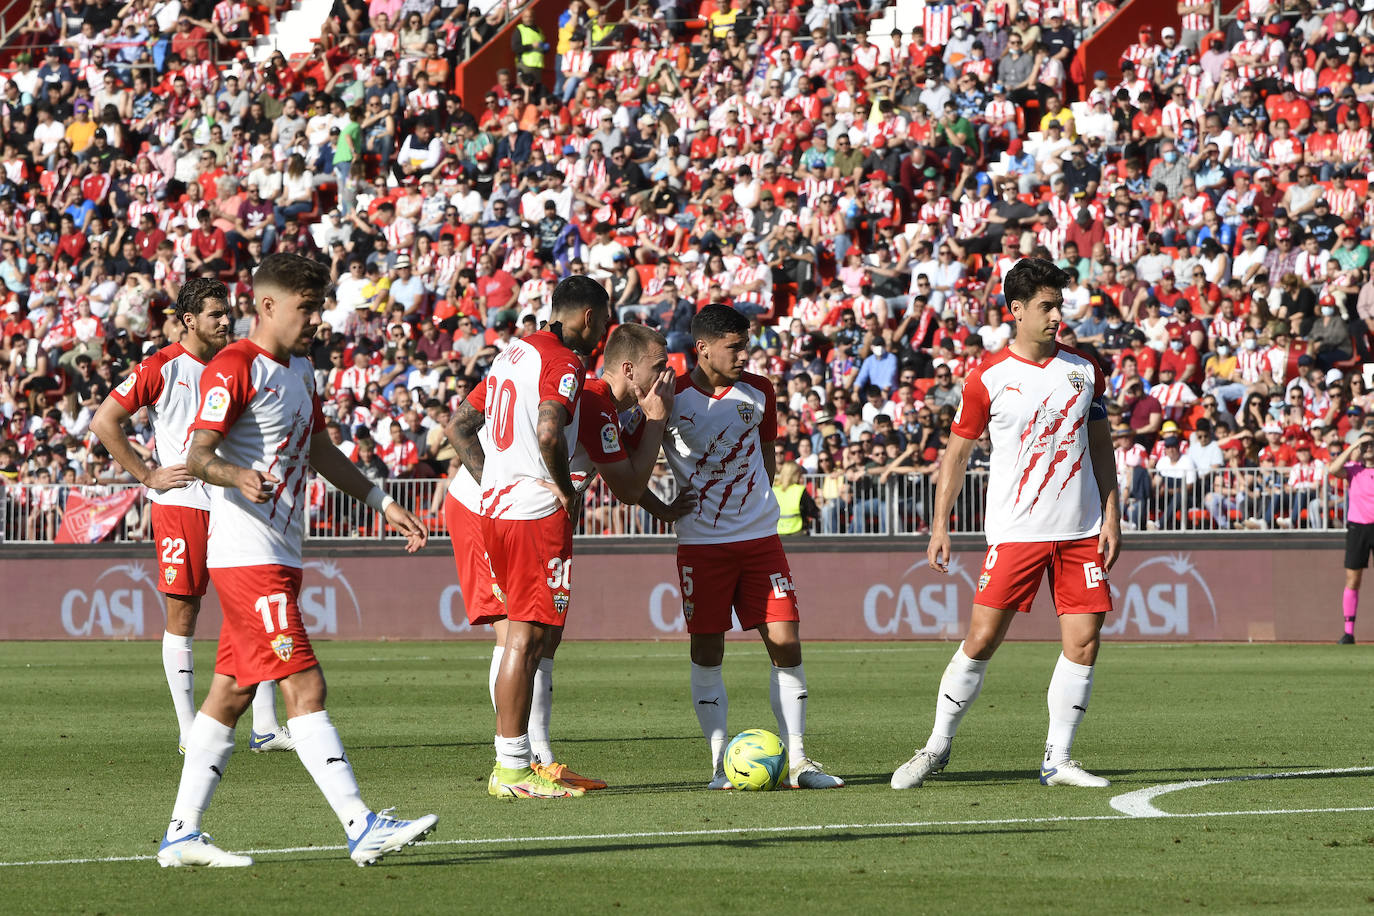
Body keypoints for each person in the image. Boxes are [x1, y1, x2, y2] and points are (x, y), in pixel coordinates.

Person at [157, 254, 437, 868]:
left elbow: (319, 450)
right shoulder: (233, 366)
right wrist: (237, 474)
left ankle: (181, 835)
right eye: (306, 306)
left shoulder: (302, 370)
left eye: (318, 306)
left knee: (229, 694)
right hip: (246, 558)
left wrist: (380, 499)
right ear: (266, 306)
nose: (316, 318)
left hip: (279, 556)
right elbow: (198, 454)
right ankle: (361, 824)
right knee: (305, 683)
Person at [892, 258, 1121, 791]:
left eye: (1059, 305)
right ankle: (936, 745)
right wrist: (940, 525)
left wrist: (1111, 513)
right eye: (1045, 306)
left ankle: (1057, 759)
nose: (1056, 316)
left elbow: (1101, 445)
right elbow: (955, 455)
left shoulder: (1085, 370)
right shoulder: (987, 378)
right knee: (981, 638)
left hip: (1080, 530)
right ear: (1015, 310)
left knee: (1085, 641)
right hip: (1016, 531)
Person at [443, 322, 683, 792]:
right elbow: (629, 485)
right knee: (518, 633)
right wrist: (656, 419)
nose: (666, 377)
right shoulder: (592, 402)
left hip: (514, 506)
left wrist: (665, 508)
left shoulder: (603, 405)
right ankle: (516, 760)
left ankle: (538, 757)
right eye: (659, 367)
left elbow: (624, 478)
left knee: (544, 636)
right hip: (487, 506)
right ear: (630, 370)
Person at [637, 303, 844, 790]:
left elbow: (767, 457)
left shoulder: (760, 390)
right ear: (702, 347)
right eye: (735, 345)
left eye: (745, 343)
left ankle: (798, 763)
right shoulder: (669, 396)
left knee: (786, 642)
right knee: (707, 651)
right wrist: (663, 508)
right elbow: (626, 463)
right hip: (702, 545)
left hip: (759, 541)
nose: (743, 353)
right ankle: (716, 768)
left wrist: (753, 505)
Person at [89, 278, 293, 755]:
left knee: (252, 607)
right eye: (216, 314)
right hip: (181, 504)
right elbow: (104, 420)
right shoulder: (161, 366)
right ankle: (188, 731)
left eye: (228, 313)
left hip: (233, 502)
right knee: (184, 612)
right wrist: (146, 474)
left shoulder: (243, 361)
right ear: (189, 320)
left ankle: (264, 725)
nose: (227, 321)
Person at [446, 275, 611, 799]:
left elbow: (460, 426)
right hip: (533, 513)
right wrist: (565, 489)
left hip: (497, 508)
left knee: (532, 637)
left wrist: (492, 479)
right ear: (588, 316)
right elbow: (547, 430)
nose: (604, 330)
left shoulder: (511, 353)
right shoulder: (564, 361)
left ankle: (522, 762)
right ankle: (513, 768)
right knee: (525, 636)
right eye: (603, 319)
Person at [1328, 433, 1374, 644]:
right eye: (1365, 445)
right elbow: (1333, 469)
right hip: (1358, 528)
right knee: (1353, 579)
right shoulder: (1353, 469)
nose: (1368, 448)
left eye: (1371, 444)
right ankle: (1348, 632)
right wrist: (1354, 445)